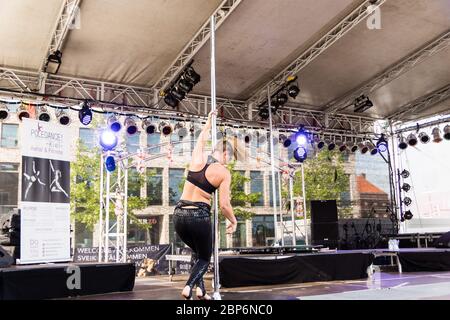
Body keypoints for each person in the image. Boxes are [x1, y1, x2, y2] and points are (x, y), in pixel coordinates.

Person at [173, 110, 237, 300]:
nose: (229, 162)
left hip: (179, 215)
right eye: (230, 158)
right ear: (225, 154)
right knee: (204, 257)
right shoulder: (223, 173)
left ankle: (202, 291)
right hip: (198, 217)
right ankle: (188, 287)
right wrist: (233, 221)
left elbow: (202, 137)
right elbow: (224, 204)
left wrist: (209, 122)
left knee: (197, 252)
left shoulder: (197, 159)